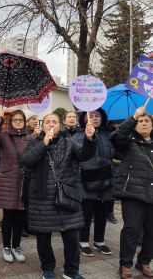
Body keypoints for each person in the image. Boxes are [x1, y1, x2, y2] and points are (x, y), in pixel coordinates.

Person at [21, 114, 97, 279]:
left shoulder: (67, 141)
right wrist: (44, 143)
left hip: (66, 196)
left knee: (72, 235)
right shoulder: (35, 142)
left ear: (60, 125)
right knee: (43, 237)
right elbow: (27, 160)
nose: (51, 125)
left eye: (54, 122)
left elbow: (84, 155)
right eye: (47, 122)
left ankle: (71, 271)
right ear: (42, 126)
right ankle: (47, 268)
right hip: (42, 198)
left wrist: (90, 139)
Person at [110, 107, 153, 279]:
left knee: (151, 231)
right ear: (135, 126)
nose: (143, 124)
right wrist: (133, 117)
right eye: (140, 121)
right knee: (132, 229)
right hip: (132, 193)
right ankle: (125, 264)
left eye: (147, 121)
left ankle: (144, 261)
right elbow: (116, 136)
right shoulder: (127, 142)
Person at [0, 110, 35, 263]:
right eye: (15, 120)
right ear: (10, 122)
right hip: (8, 180)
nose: (18, 122)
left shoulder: (31, 138)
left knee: (20, 216)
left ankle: (16, 246)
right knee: (8, 216)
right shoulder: (4, 137)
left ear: (24, 121)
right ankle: (6, 247)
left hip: (24, 181)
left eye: (20, 120)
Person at [73, 109, 116, 257]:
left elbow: (115, 152)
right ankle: (83, 242)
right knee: (86, 212)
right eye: (90, 116)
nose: (94, 118)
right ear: (85, 119)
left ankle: (99, 241)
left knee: (102, 212)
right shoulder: (78, 135)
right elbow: (75, 157)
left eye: (97, 116)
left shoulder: (109, 134)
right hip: (86, 177)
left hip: (105, 176)